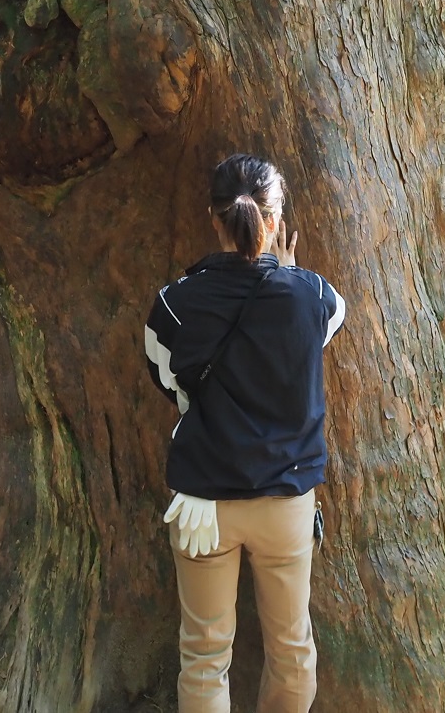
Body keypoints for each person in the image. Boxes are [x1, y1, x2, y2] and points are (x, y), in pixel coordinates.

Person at [143, 154, 346, 713]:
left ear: (214, 220)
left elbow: (167, 378)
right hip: (285, 502)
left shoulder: (173, 304)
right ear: (276, 223)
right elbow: (325, 326)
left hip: (204, 502)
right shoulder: (311, 296)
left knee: (205, 657)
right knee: (291, 649)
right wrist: (283, 269)